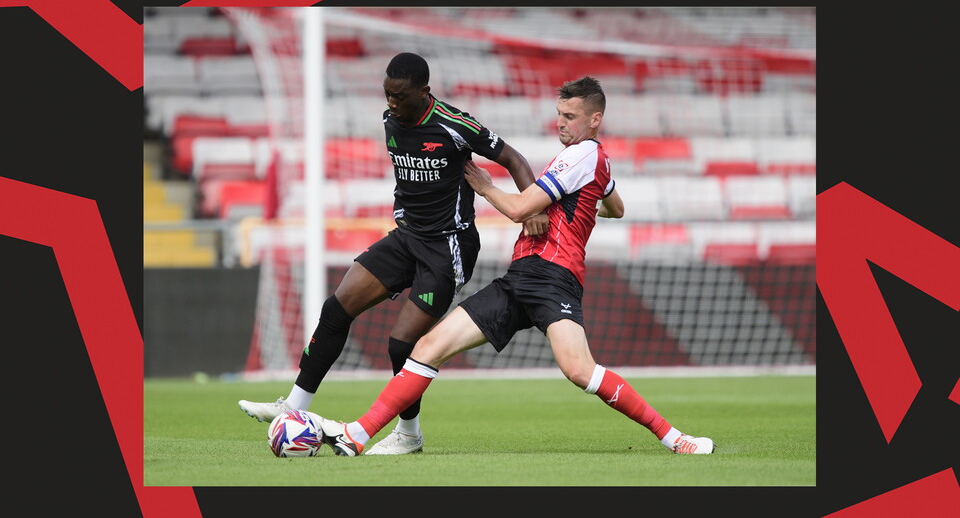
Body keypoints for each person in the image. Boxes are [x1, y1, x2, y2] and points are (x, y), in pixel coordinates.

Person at [309, 76, 716, 457]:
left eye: (570, 116)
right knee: (427, 348)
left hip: (554, 279)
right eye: (559, 114)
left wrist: (484, 186)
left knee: (579, 370)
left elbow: (521, 208)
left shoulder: (583, 153)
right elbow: (616, 206)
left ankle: (676, 438)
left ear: (596, 120)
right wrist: (589, 210)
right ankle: (357, 435)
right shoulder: (594, 160)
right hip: (520, 276)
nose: (560, 123)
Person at [239, 52, 548, 455]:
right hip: (405, 239)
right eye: (387, 94)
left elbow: (513, 158)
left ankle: (409, 436)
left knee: (402, 345)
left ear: (424, 92)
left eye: (399, 96)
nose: (391, 103)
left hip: (447, 246)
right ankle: (293, 408)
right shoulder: (391, 119)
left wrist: (534, 209)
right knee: (336, 309)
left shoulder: (455, 125)